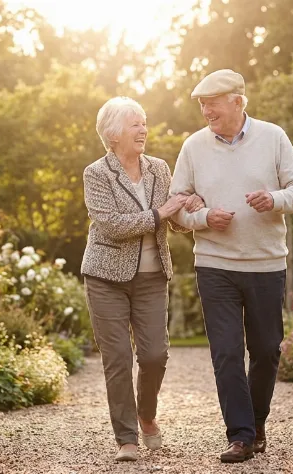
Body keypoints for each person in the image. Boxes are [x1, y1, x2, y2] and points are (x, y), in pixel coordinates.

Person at [169, 69, 293, 463]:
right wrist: (204, 218)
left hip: (266, 264)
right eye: (202, 104)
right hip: (214, 265)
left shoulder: (273, 137)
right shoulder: (193, 147)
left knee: (266, 350)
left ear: (237, 101)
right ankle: (241, 436)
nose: (206, 111)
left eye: (212, 103)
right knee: (227, 352)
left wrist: (274, 199)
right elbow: (177, 206)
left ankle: (256, 422)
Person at [81, 96, 203, 462]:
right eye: (135, 124)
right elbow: (111, 225)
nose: (143, 130)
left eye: (144, 123)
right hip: (105, 278)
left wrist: (190, 207)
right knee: (117, 358)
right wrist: (161, 212)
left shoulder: (159, 169)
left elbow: (174, 221)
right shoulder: (96, 173)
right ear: (113, 133)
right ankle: (126, 438)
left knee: (154, 355)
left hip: (152, 277)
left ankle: (146, 414)